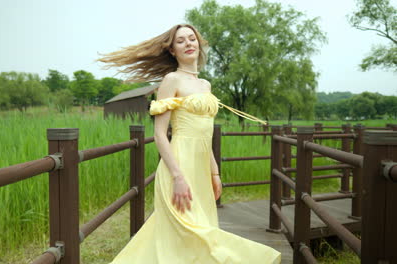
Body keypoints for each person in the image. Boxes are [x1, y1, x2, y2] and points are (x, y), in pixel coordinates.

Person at [98, 23, 281, 264]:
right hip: (179, 168)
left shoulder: (206, 85)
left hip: (201, 171)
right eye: (181, 41)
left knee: (197, 237)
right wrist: (178, 177)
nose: (188, 44)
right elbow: (161, 134)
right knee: (190, 234)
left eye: (192, 38)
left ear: (199, 43)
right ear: (172, 51)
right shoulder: (171, 80)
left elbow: (205, 137)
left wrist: (214, 173)